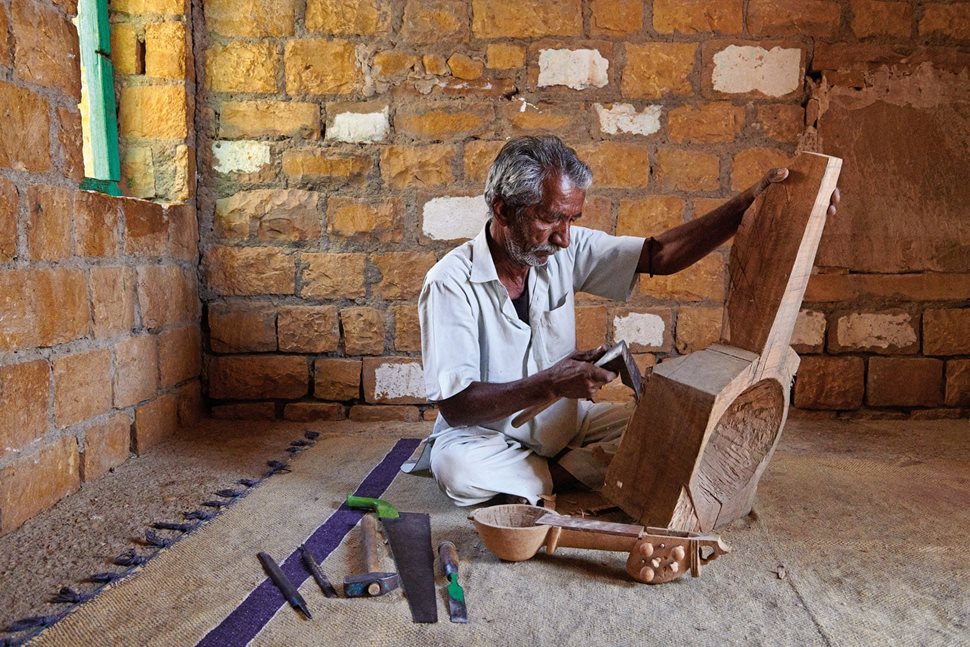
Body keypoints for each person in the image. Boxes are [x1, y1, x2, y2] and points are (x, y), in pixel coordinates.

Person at [407, 135, 839, 507]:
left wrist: (748, 204)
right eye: (549, 218)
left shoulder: (561, 251)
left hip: (567, 427)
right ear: (502, 210)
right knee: (458, 471)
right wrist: (552, 382)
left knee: (671, 425)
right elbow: (457, 405)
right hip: (483, 438)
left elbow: (658, 255)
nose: (564, 237)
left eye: (572, 219)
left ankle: (542, 476)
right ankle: (570, 476)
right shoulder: (449, 283)